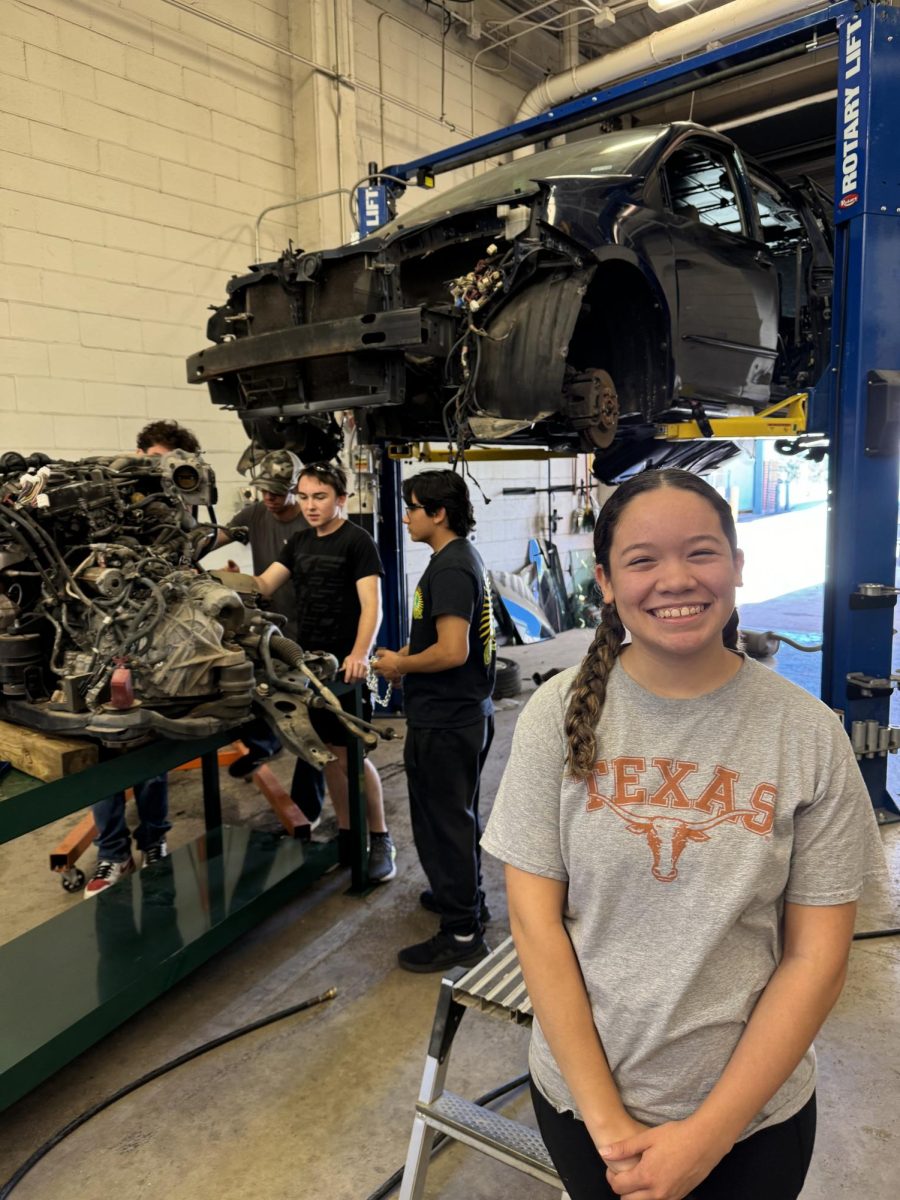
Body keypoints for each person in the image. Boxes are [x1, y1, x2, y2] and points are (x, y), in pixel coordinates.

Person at [481, 468, 884, 1200]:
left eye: (701, 553)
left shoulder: (808, 734)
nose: (676, 580)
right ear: (605, 581)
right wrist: (606, 1125)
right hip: (585, 1111)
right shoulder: (553, 715)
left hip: (754, 1121)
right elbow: (535, 923)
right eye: (642, 560)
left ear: (736, 564)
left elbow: (815, 960)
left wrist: (706, 1138)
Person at [374, 470, 496, 972]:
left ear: (437, 513)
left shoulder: (449, 569)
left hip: (446, 722)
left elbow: (451, 651)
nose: (405, 516)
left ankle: (462, 932)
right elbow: (437, 642)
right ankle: (466, 900)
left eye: (412, 507)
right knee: (457, 820)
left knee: (441, 825)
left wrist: (400, 666)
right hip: (463, 715)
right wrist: (404, 655)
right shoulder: (459, 558)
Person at [253, 462, 397, 882]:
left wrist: (358, 653)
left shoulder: (357, 542)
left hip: (344, 671)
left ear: (341, 499)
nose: (310, 505)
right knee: (328, 757)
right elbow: (263, 584)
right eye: (305, 497)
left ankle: (381, 837)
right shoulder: (297, 541)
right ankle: (350, 834)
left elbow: (373, 605)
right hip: (310, 668)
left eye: (320, 497)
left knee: (351, 755)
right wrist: (216, 581)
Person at [85, 420, 202, 898]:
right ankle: (113, 853)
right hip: (99, 639)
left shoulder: (177, 514)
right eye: (149, 456)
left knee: (148, 744)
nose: (152, 467)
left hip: (153, 642)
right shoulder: (108, 501)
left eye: (164, 461)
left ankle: (153, 841)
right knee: (99, 751)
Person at [204, 449, 325, 823]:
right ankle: (264, 744)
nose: (269, 500)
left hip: (309, 630)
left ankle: (308, 805)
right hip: (268, 627)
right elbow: (218, 535)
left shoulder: (311, 525)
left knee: (311, 719)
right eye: (264, 492)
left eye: (277, 492)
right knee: (247, 686)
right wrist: (186, 551)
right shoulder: (256, 513)